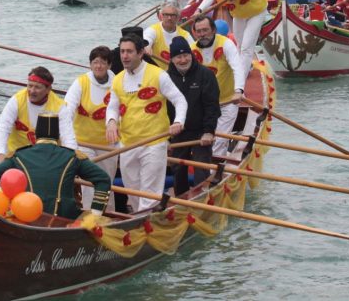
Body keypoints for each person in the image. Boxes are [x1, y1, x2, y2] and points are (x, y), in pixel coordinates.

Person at [105, 35, 187, 212]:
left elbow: (180, 100)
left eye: (129, 52)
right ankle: (140, 219)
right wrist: (111, 122)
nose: (124, 56)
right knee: (132, 190)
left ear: (141, 53)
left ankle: (145, 223)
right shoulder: (118, 79)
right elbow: (112, 107)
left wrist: (178, 121)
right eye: (122, 52)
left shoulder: (158, 75)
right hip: (128, 144)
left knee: (149, 193)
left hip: (154, 143)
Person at [0, 113, 111, 219]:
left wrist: (6, 207)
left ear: (35, 136)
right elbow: (103, 179)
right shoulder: (73, 157)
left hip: (26, 217)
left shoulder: (18, 156)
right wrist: (96, 215)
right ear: (58, 136)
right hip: (65, 219)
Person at [60, 46, 118, 210]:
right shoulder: (81, 83)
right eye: (95, 62)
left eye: (102, 62)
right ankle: (88, 215)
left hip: (109, 144)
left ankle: (109, 215)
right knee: (89, 182)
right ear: (90, 65)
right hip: (84, 144)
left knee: (107, 181)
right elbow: (68, 109)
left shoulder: (118, 83)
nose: (98, 66)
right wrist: (64, 137)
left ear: (109, 65)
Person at [166, 36, 221, 196]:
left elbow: (212, 106)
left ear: (191, 54)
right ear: (172, 59)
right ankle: (180, 202)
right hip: (177, 132)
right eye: (178, 57)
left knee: (201, 168)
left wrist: (209, 131)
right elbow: (163, 109)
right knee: (178, 170)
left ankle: (200, 199)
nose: (183, 60)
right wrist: (166, 137)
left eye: (186, 55)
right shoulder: (165, 78)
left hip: (200, 132)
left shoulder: (206, 75)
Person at [0, 66, 78, 163]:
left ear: (48, 89)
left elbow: (68, 138)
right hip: (17, 157)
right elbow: (2, 129)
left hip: (47, 159)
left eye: (37, 87)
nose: (32, 91)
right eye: (30, 86)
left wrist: (72, 161)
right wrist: (0, 156)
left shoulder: (60, 107)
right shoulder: (16, 101)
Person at [189, 15, 245, 159]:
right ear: (195, 33)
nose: (202, 34)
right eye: (199, 31)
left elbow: (237, 67)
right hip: (205, 105)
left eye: (205, 30)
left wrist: (239, 90)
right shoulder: (191, 50)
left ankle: (215, 173)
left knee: (219, 140)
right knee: (203, 140)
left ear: (213, 30)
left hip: (228, 101)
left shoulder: (226, 44)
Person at [143, 3, 194, 69]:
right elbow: (147, 40)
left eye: (173, 15)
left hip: (178, 74)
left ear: (178, 17)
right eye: (166, 15)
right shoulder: (152, 30)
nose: (169, 18)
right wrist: (147, 46)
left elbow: (194, 51)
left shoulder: (185, 35)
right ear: (161, 16)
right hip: (156, 73)